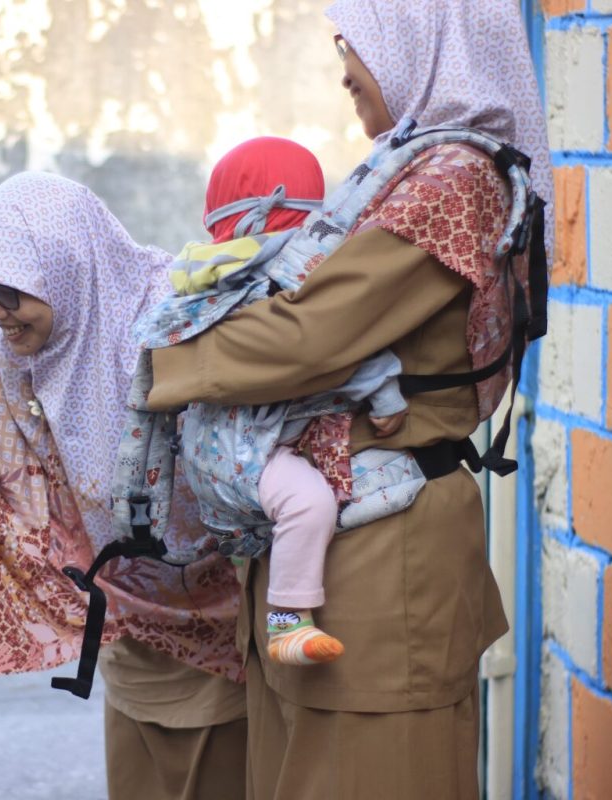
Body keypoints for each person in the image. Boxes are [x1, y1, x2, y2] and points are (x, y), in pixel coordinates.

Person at [142, 1, 551, 797]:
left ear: (418, 40)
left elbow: (310, 335)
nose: (343, 68)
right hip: (343, 552)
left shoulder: (455, 181)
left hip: (383, 564)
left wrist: (159, 361)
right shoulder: (408, 167)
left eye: (353, 42)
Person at [0, 172, 247, 800]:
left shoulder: (167, 317)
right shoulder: (17, 354)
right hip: (127, 625)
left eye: (8, 291)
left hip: (221, 617)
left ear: (64, 267)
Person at [154, 136, 409, 667]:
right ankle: (289, 622)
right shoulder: (284, 277)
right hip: (245, 450)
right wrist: (385, 397)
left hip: (217, 447)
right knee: (308, 503)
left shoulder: (207, 272)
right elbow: (335, 344)